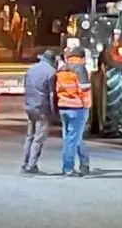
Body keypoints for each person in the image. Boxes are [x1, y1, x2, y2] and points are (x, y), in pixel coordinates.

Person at [55, 46, 93, 176]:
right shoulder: (80, 69)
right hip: (77, 108)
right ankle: (68, 168)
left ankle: (84, 163)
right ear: (82, 57)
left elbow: (57, 89)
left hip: (63, 107)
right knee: (72, 140)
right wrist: (87, 107)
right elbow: (85, 91)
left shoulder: (61, 69)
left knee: (72, 138)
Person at [20, 48, 56, 175]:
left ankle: (24, 163)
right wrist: (53, 111)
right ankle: (32, 165)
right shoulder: (51, 72)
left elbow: (26, 88)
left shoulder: (31, 69)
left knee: (30, 136)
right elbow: (51, 94)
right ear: (52, 60)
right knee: (38, 138)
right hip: (42, 108)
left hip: (30, 107)